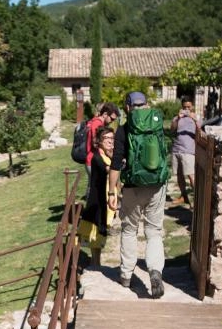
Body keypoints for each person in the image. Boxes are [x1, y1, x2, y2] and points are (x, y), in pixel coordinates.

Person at [107, 91, 166, 299]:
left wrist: (111, 191)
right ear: (146, 105)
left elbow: (115, 164)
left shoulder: (123, 130)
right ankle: (155, 271)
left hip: (132, 186)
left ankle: (126, 276)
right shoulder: (157, 125)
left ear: (127, 107)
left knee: (130, 230)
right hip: (157, 186)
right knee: (154, 231)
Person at [77, 127, 115, 267]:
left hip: (106, 198)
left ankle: (96, 265)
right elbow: (109, 170)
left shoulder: (106, 154)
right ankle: (96, 267)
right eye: (107, 138)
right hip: (99, 200)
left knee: (99, 236)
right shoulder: (97, 157)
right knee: (97, 236)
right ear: (99, 141)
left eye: (112, 138)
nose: (111, 141)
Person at [170, 95, 199, 206]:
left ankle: (197, 200)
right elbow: (172, 130)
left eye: (189, 107)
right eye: (184, 107)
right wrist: (178, 118)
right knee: (179, 175)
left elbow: (200, 132)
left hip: (189, 150)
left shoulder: (196, 117)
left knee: (191, 175)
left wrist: (195, 120)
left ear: (192, 106)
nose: (187, 109)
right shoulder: (177, 117)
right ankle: (184, 196)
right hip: (177, 149)